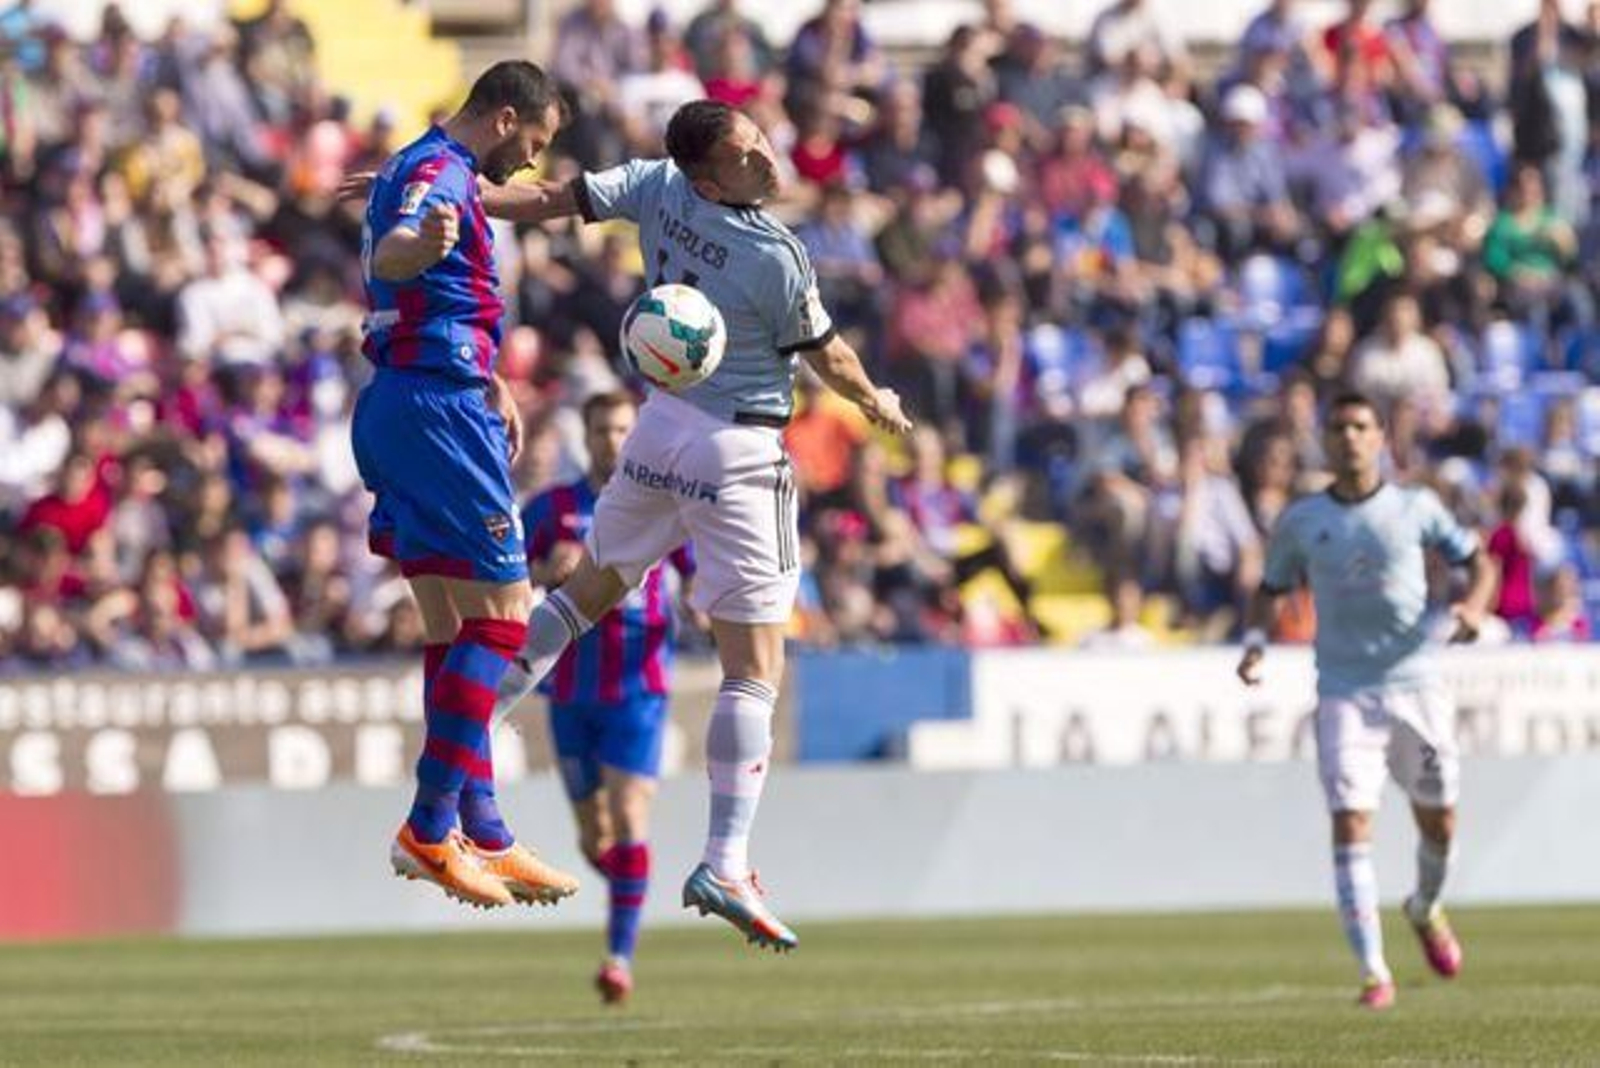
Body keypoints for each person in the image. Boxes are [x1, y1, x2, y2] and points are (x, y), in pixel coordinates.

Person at [348, 99, 914, 950]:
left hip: (659, 428)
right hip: (737, 448)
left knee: (582, 596)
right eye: (747, 157)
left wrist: (418, 190)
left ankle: (465, 751)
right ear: (708, 180)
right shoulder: (776, 253)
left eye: (761, 142)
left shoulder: (654, 185)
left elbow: (544, 200)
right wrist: (875, 398)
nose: (768, 160)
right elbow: (827, 353)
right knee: (754, 667)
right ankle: (726, 862)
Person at [352, 61, 579, 910]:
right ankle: (427, 825)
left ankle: (479, 826)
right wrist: (418, 245)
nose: (532, 158)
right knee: (505, 617)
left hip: (410, 398)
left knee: (451, 625)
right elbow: (406, 247)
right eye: (535, 139)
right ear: (507, 116)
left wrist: (490, 373)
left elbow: (460, 220)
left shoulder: (417, 164)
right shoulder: (441, 175)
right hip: (438, 413)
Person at [1236, 393, 1496, 1010]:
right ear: (1326, 441)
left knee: (1440, 821)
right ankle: (1375, 973)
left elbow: (1478, 561)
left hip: (1415, 687)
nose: (1349, 436)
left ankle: (1424, 907)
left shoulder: (1414, 507)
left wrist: (1474, 608)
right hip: (1344, 693)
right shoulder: (1302, 521)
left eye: (1360, 426)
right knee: (1351, 821)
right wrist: (1254, 644)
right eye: (1338, 427)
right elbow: (1270, 588)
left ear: (1381, 437)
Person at [520, 391, 700, 1004]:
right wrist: (545, 571)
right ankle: (632, 890)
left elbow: (695, 571)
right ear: (586, 435)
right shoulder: (552, 509)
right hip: (570, 686)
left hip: (637, 685)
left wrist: (702, 602)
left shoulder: (662, 503)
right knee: (594, 838)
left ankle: (618, 956)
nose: (612, 440)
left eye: (623, 429)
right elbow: (508, 576)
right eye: (601, 429)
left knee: (628, 817)